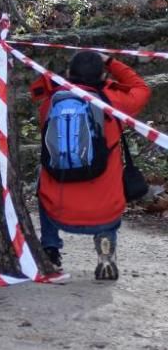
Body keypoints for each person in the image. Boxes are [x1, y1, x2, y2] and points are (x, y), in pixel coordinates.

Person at [30, 51, 150, 280]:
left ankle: (50, 248)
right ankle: (105, 251)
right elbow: (142, 89)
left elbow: (38, 91)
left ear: (68, 74)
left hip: (59, 211)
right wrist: (112, 62)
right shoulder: (114, 101)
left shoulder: (52, 102)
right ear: (103, 75)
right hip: (104, 213)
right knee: (110, 180)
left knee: (43, 173)